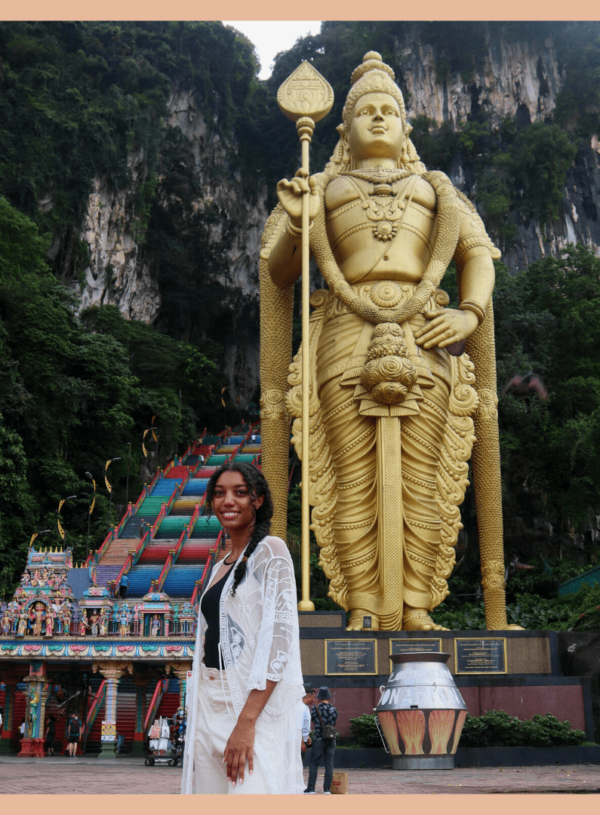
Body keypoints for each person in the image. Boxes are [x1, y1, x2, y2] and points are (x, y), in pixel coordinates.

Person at [264, 50, 501, 632]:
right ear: (343, 130)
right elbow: (278, 272)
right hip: (345, 331)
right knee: (351, 476)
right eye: (365, 111)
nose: (376, 118)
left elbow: (478, 255)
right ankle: (363, 604)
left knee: (423, 475)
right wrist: (297, 222)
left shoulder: (437, 189)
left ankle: (417, 604)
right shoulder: (317, 186)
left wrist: (469, 314)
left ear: (404, 127)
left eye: (387, 110)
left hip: (428, 332)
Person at [181, 461, 304, 795]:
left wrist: (247, 721)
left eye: (240, 492)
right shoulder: (220, 566)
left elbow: (279, 640)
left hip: (249, 707)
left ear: (258, 501)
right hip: (208, 703)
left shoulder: (271, 552)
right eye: (219, 494)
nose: (228, 501)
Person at [304, 687, 338, 794]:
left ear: (319, 698)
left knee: (314, 763)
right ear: (328, 697)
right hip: (331, 739)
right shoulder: (334, 710)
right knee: (329, 764)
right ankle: (327, 789)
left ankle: (311, 788)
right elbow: (334, 723)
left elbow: (313, 721)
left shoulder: (315, 709)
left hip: (318, 738)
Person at [296, 687, 314, 762]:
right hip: (298, 740)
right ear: (308, 697)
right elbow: (298, 727)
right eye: (313, 697)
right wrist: (302, 742)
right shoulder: (300, 707)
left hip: (303, 738)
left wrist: (307, 736)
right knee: (298, 763)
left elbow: (305, 724)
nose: (314, 700)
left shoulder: (305, 707)